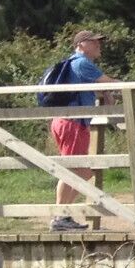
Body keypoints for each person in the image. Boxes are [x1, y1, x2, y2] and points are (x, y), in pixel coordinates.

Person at [46, 29, 106, 232]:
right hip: (72, 122)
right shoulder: (81, 63)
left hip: (72, 122)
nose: (99, 45)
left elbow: (94, 88)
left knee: (84, 171)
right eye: (94, 42)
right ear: (81, 45)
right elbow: (108, 82)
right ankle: (59, 217)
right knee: (72, 170)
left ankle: (63, 215)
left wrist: (105, 93)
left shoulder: (79, 65)